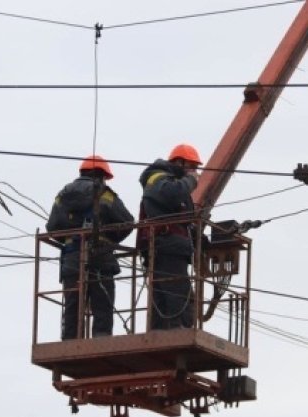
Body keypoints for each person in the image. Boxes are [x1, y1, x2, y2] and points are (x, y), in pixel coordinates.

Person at [46, 155, 134, 340]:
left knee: (73, 303)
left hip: (71, 257)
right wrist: (110, 238)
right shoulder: (104, 194)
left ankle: (69, 341)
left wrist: (70, 238)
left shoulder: (62, 195)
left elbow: (52, 227)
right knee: (102, 303)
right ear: (100, 175)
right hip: (100, 255)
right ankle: (101, 339)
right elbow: (127, 222)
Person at [137, 143, 201, 330]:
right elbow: (170, 195)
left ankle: (162, 330)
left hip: (171, 246)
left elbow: (182, 216)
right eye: (192, 166)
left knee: (166, 292)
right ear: (179, 162)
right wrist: (191, 181)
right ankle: (179, 329)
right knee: (179, 293)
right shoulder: (158, 178)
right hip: (167, 245)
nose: (194, 171)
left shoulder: (171, 182)